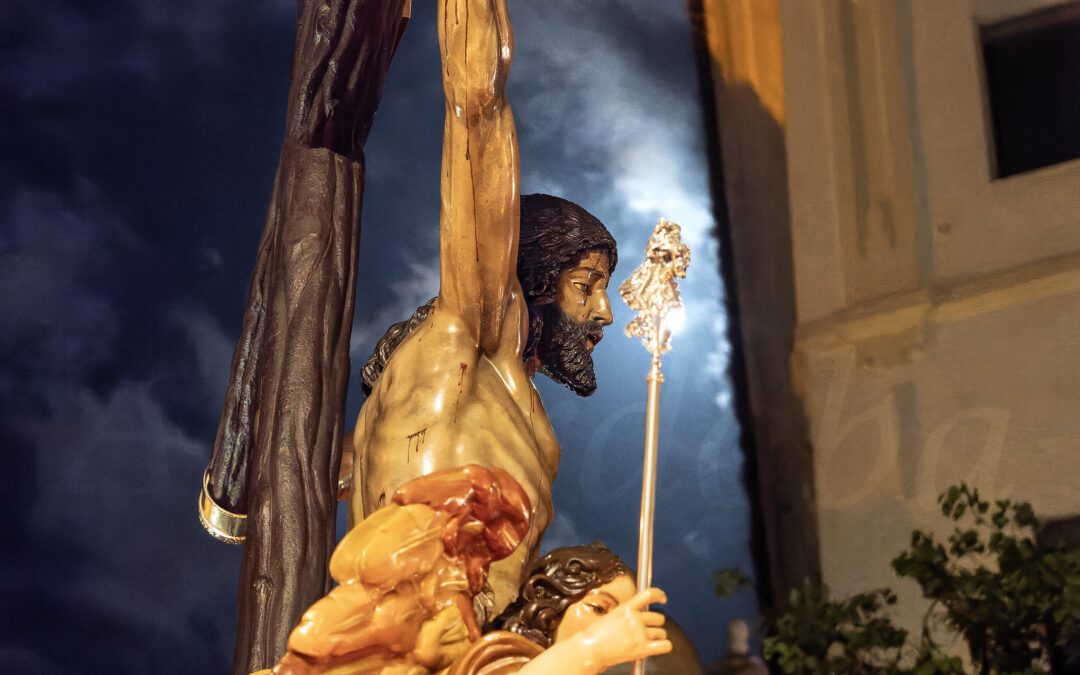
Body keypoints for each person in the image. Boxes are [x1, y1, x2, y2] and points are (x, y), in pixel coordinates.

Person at [342, 0, 620, 620]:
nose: (604, 313)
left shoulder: (489, 389)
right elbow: (477, 111)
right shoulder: (466, 335)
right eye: (587, 284)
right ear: (528, 285)